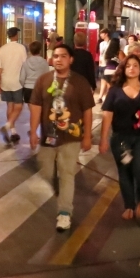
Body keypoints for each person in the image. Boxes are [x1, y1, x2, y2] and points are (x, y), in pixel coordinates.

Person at [28, 44, 96, 232]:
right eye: (55, 56)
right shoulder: (44, 80)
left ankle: (64, 213)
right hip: (48, 137)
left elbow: (88, 111)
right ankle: (60, 189)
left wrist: (87, 135)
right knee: (47, 172)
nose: (58, 59)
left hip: (71, 137)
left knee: (67, 174)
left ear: (70, 59)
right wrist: (33, 131)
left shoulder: (80, 83)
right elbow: (35, 107)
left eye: (63, 56)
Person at [99, 54, 140, 220]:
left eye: (135, 65)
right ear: (123, 69)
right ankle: (129, 205)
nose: (132, 68)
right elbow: (107, 115)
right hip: (120, 138)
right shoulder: (114, 91)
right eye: (128, 66)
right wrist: (103, 139)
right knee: (125, 171)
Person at [0, 27, 29, 146]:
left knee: (9, 105)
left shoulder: (2, 49)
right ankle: (7, 126)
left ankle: (13, 132)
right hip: (17, 81)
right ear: (16, 35)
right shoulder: (21, 48)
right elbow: (25, 65)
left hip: (5, 81)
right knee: (18, 106)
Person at [21, 40, 52, 104]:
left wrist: (23, 86)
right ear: (40, 50)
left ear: (30, 51)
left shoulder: (26, 62)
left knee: (31, 110)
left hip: (28, 88)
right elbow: (46, 77)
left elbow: (22, 78)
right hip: (39, 88)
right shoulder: (44, 62)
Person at [99, 37, 122, 104]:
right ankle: (111, 103)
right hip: (114, 72)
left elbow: (105, 61)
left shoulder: (108, 52)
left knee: (109, 89)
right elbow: (123, 62)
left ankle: (106, 102)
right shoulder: (119, 52)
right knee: (113, 89)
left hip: (106, 71)